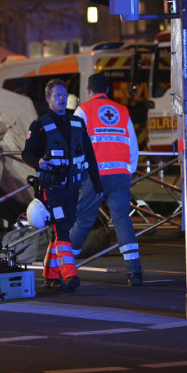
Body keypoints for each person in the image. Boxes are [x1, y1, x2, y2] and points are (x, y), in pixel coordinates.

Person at [22, 78, 103, 293]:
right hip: (51, 188)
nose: (61, 99)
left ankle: (50, 276)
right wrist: (38, 162)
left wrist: (97, 184)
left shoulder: (77, 123)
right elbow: (26, 153)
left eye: (64, 95)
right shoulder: (39, 126)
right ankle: (70, 275)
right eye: (57, 95)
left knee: (60, 232)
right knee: (62, 230)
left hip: (72, 189)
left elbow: (90, 156)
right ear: (48, 99)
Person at [69, 72, 143, 286]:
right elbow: (133, 145)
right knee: (122, 219)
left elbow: (76, 144)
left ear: (88, 91)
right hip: (120, 175)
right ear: (108, 90)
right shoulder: (122, 110)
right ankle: (134, 271)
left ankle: (64, 266)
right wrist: (129, 170)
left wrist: (77, 172)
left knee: (83, 221)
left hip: (94, 176)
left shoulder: (83, 110)